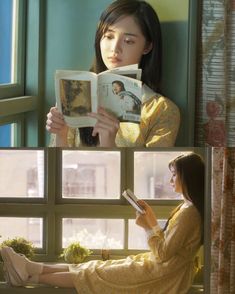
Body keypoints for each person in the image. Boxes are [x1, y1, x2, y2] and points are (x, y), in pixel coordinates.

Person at [1, 152, 204, 294]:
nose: (171, 180)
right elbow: (169, 247)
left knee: (94, 274)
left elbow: (163, 253)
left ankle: (29, 275)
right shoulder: (187, 208)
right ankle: (30, 267)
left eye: (175, 174)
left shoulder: (190, 213)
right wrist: (151, 221)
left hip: (164, 273)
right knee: (93, 266)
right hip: (161, 267)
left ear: (188, 177)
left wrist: (147, 227)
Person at [46, 0, 180, 147]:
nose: (115, 49)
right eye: (109, 37)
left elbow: (154, 170)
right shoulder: (75, 91)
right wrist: (60, 134)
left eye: (128, 41)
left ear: (147, 47)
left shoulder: (161, 111)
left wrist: (109, 145)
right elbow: (57, 168)